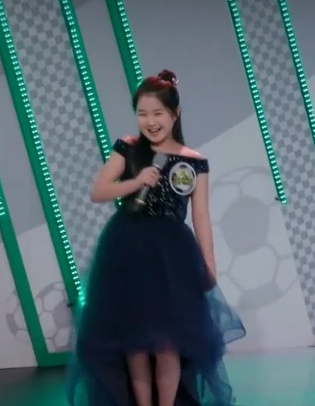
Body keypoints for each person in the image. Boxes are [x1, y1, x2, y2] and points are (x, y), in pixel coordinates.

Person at [66, 69, 246, 405]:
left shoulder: (194, 162)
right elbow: (98, 191)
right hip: (128, 249)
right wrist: (136, 182)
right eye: (143, 113)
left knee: (168, 343)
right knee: (135, 342)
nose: (150, 121)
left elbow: (201, 217)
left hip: (172, 257)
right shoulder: (128, 148)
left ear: (175, 114)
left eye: (158, 113)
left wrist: (209, 264)